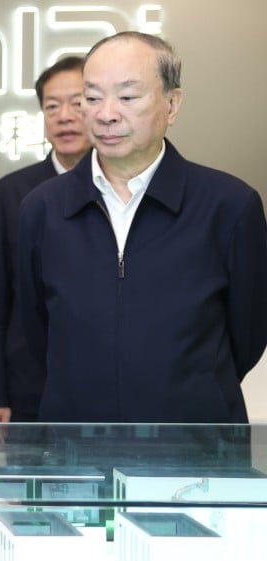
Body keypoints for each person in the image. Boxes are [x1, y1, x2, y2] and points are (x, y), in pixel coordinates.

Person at [18, 32, 267, 422]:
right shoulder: (42, 208)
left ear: (172, 103)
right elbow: (37, 333)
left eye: (128, 97)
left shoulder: (229, 205)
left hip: (196, 440)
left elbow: (247, 334)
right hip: (76, 439)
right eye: (92, 98)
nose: (106, 114)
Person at [0, 56, 89, 426]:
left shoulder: (123, 188)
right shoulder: (13, 191)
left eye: (77, 103)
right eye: (52, 106)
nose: (64, 117)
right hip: (29, 386)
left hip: (103, 385)